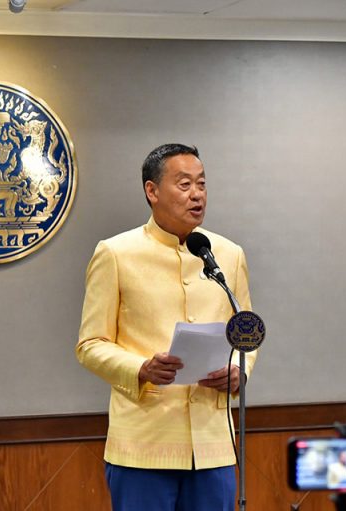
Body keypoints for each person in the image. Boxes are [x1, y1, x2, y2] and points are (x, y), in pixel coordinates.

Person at [76, 143, 257, 511]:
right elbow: (91, 344)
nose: (197, 194)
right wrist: (141, 368)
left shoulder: (229, 255)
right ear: (152, 191)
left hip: (213, 445)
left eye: (202, 184)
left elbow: (245, 333)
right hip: (143, 446)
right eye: (184, 184)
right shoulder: (116, 253)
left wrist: (240, 371)